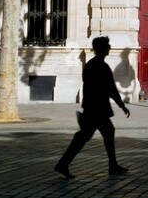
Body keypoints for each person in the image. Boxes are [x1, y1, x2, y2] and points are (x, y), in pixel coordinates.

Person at [55, 36, 130, 177]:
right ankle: (63, 164)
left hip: (92, 107)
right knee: (90, 135)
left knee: (87, 136)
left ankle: (64, 164)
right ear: (102, 48)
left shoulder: (91, 64)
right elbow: (110, 89)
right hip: (98, 108)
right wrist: (122, 106)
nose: (109, 48)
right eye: (107, 46)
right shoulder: (101, 66)